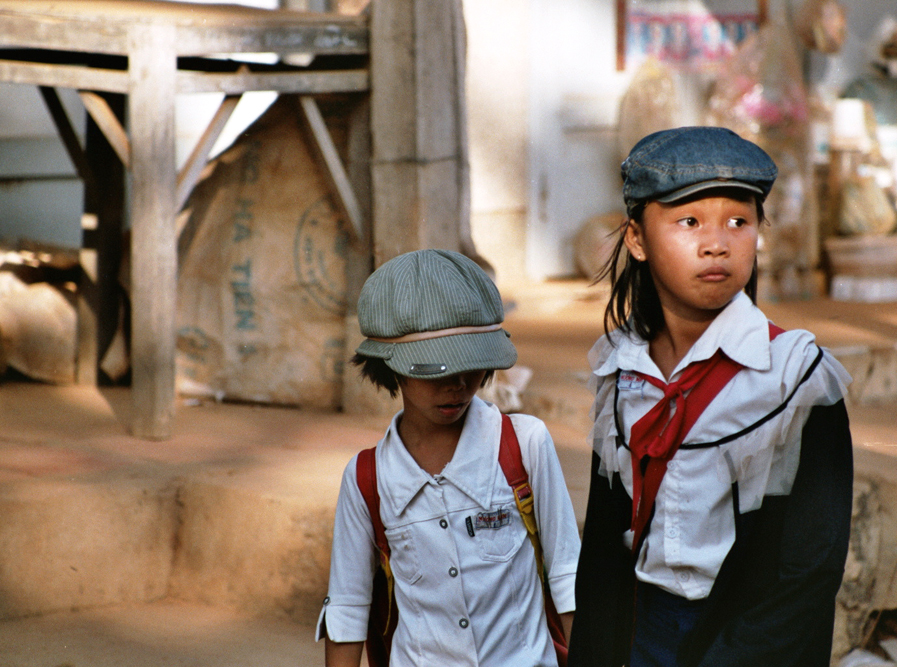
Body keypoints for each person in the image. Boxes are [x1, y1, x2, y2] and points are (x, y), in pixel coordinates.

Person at [567, 127, 854, 667]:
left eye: (738, 222)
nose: (716, 243)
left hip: (747, 636)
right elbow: (606, 544)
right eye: (689, 221)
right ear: (636, 239)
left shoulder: (793, 377)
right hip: (639, 628)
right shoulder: (621, 368)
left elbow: (807, 568)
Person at [317, 249, 581, 667]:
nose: (458, 384)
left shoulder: (525, 445)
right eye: (436, 370)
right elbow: (348, 609)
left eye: (471, 365)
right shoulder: (367, 479)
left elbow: (568, 576)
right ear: (390, 367)